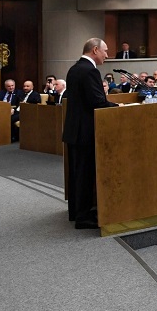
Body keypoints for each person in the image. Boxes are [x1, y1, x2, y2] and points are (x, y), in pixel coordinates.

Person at [61, 38, 119, 229]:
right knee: (84, 175)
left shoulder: (74, 69)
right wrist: (119, 106)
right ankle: (84, 218)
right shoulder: (90, 70)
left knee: (77, 174)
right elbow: (97, 101)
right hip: (85, 132)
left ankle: (77, 212)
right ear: (95, 50)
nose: (107, 55)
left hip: (74, 131)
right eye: (105, 51)